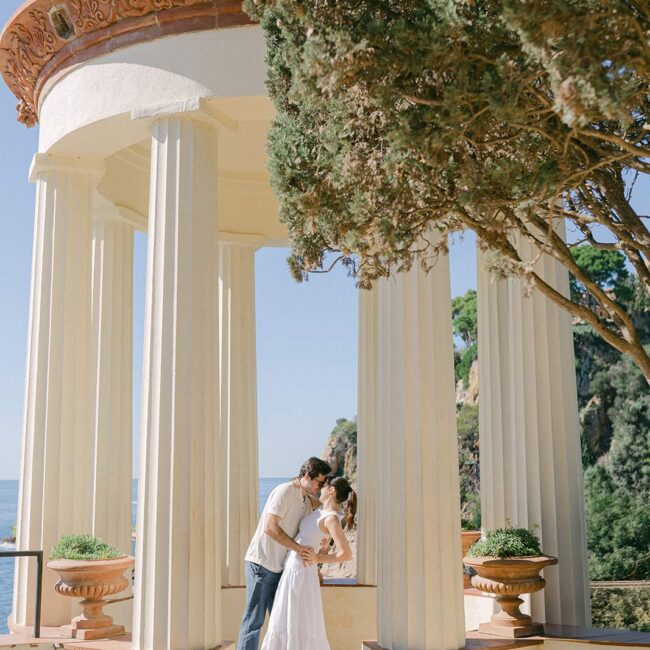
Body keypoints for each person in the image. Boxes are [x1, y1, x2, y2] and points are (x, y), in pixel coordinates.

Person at [236, 457, 332, 650]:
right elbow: (270, 528)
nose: (320, 488)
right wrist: (298, 549)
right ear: (306, 475)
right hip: (262, 565)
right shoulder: (284, 492)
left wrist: (324, 543)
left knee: (281, 625)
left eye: (324, 484)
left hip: (281, 569)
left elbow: (319, 518)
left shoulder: (305, 501)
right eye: (319, 483)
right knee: (254, 622)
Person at [260, 475, 357, 650]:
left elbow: (346, 553)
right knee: (285, 620)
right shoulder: (320, 511)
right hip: (293, 569)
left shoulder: (332, 518)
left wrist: (318, 558)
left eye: (323, 486)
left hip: (302, 572)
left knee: (297, 623)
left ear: (331, 490)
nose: (319, 488)